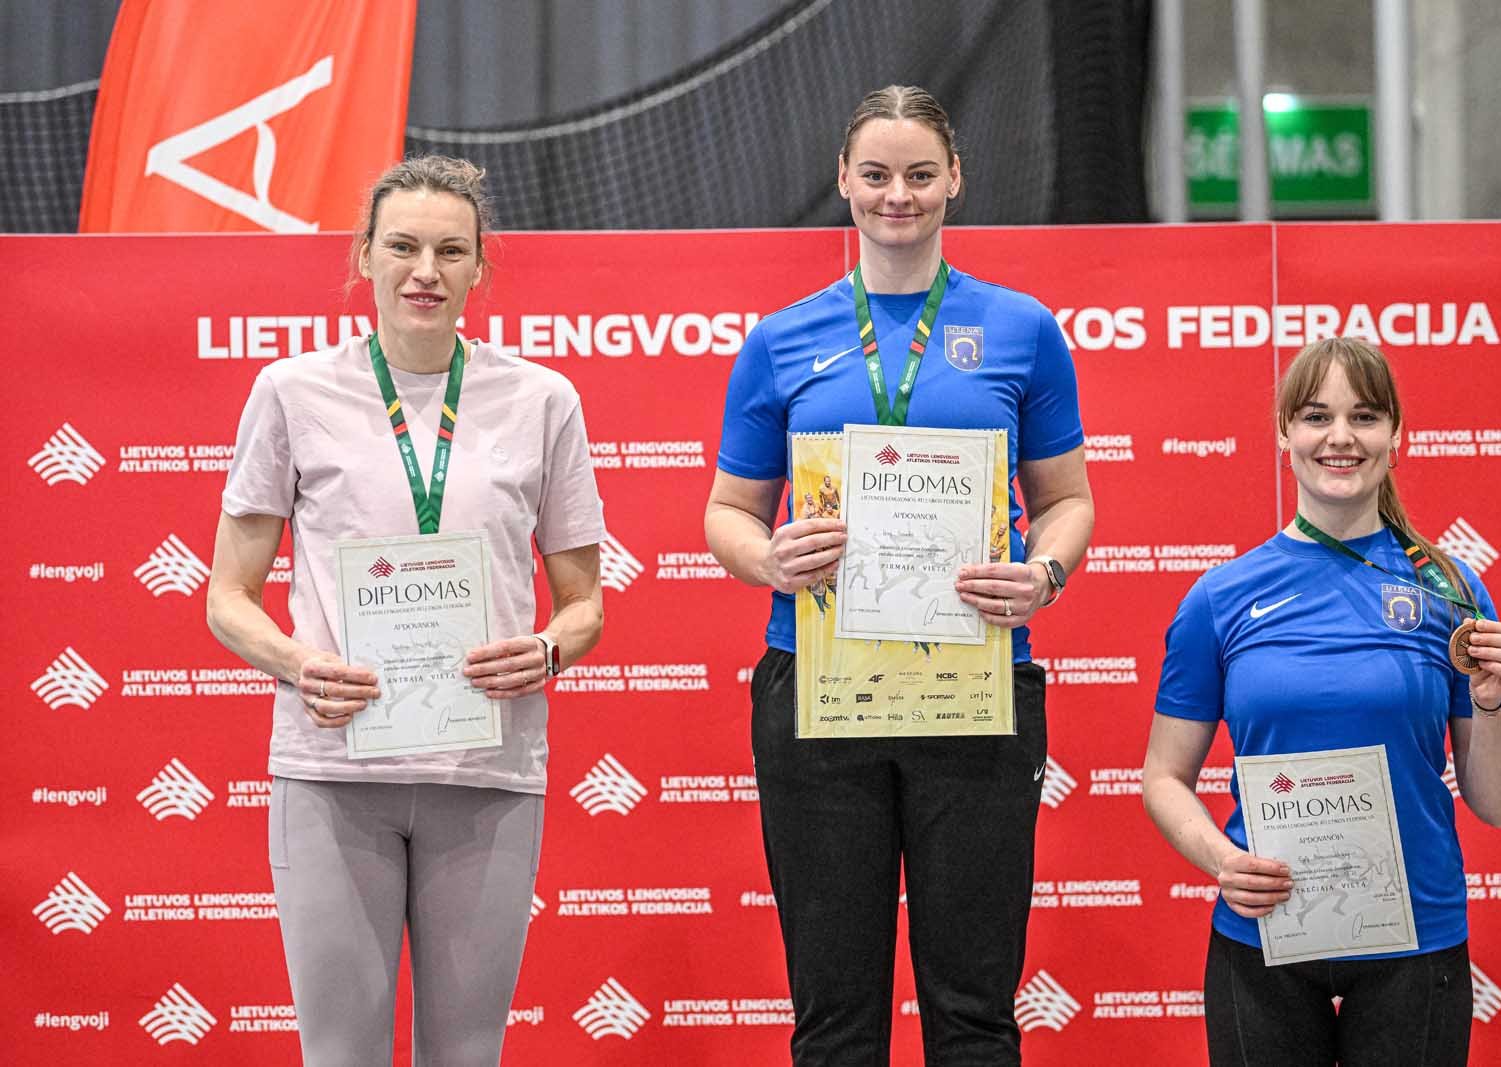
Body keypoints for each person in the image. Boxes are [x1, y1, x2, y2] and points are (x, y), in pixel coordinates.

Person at [704, 85, 1094, 1066]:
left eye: (920, 174)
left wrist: (1043, 573)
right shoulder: (781, 338)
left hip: (975, 684)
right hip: (819, 686)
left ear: (955, 178)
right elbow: (728, 512)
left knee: (974, 1013)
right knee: (835, 1016)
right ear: (843, 179)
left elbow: (1068, 500)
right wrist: (769, 559)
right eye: (875, 174)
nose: (898, 195)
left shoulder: (1022, 328)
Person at [206, 156, 605, 1066]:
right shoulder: (292, 391)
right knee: (340, 1053)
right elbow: (228, 596)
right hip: (333, 770)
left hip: (488, 770)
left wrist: (547, 650)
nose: (426, 270)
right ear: (365, 256)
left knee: (466, 1055)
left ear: (480, 268)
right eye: (404, 247)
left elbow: (584, 605)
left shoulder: (544, 399)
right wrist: (300, 663)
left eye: (451, 251)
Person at [1142, 337, 1501, 1066]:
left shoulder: (1450, 589)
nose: (1341, 437)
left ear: (1396, 434)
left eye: (1365, 416)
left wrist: (1489, 705)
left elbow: (1499, 803)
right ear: (1283, 433)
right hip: (1265, 931)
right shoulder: (1220, 598)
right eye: (1317, 416)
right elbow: (1163, 776)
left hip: (1417, 936)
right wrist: (1222, 860)